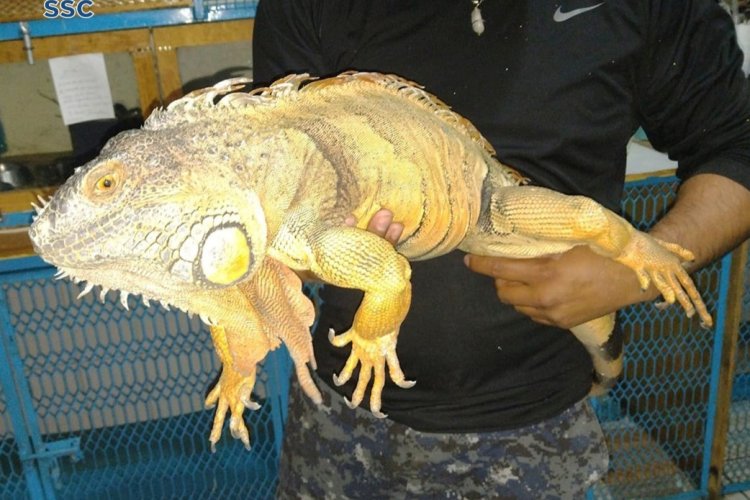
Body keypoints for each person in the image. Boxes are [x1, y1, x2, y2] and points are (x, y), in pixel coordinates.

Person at [252, 1, 750, 497]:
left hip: (537, 432)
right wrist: (317, 250)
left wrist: (630, 271)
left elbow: (738, 148)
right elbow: (271, 207)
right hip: (343, 412)